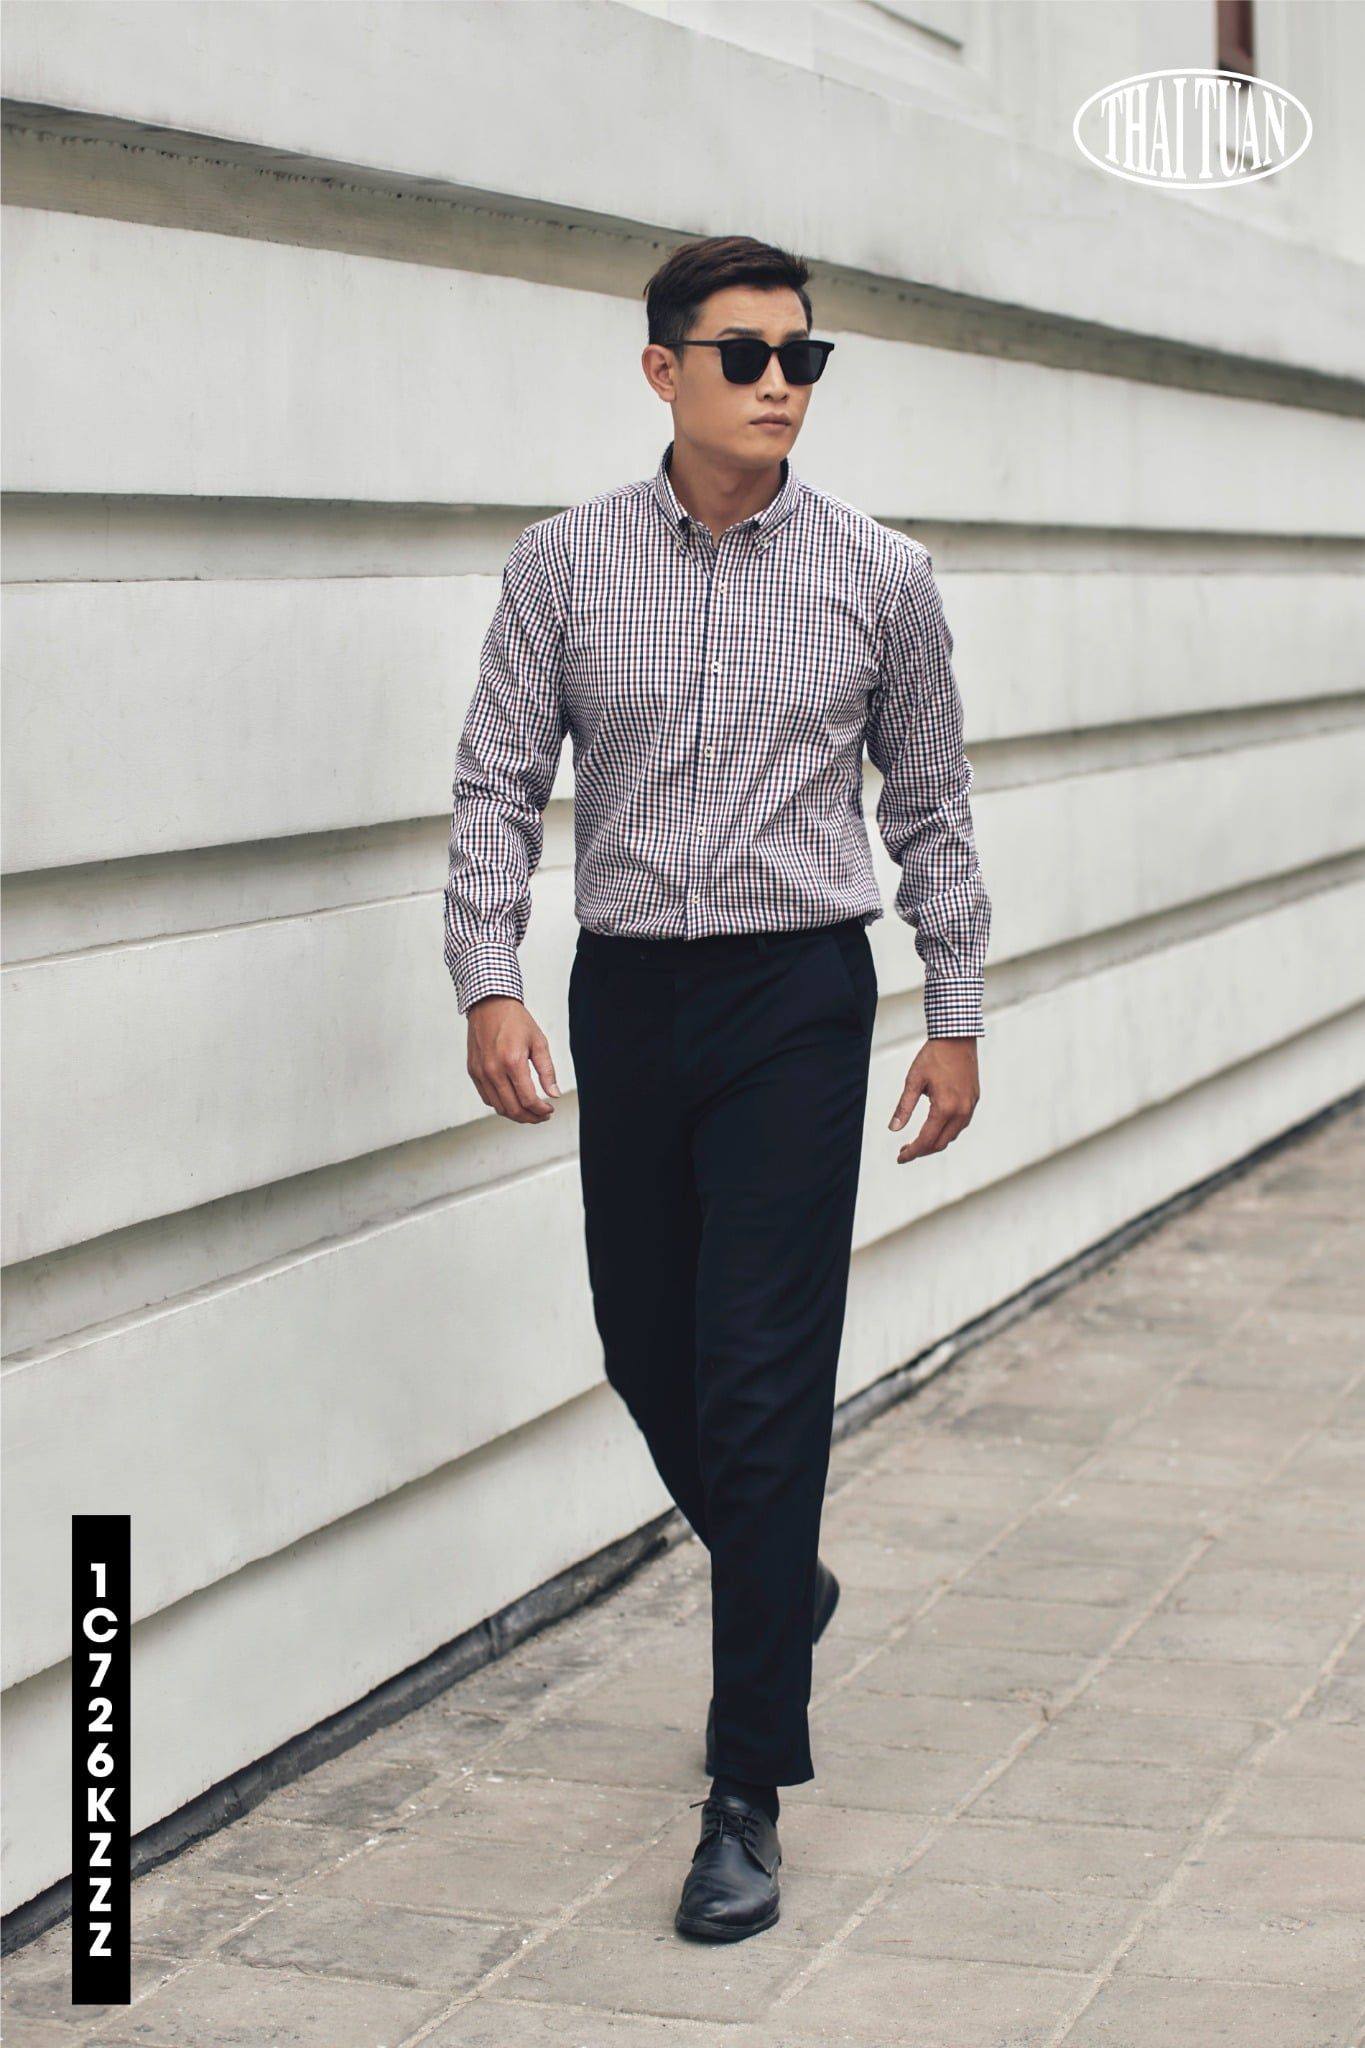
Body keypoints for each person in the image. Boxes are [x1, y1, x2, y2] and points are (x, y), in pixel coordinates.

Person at [443, 234, 991, 1942]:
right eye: (742, 353)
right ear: (662, 369)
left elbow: (930, 809)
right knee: (643, 1342)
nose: (776, 382)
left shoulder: (880, 577)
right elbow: (494, 784)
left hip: (793, 1002)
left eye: (799, 357)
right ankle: (781, 1577)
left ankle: (745, 1787)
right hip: (628, 995)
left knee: (761, 1387)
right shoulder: (561, 565)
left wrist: (952, 1011)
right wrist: (485, 980)